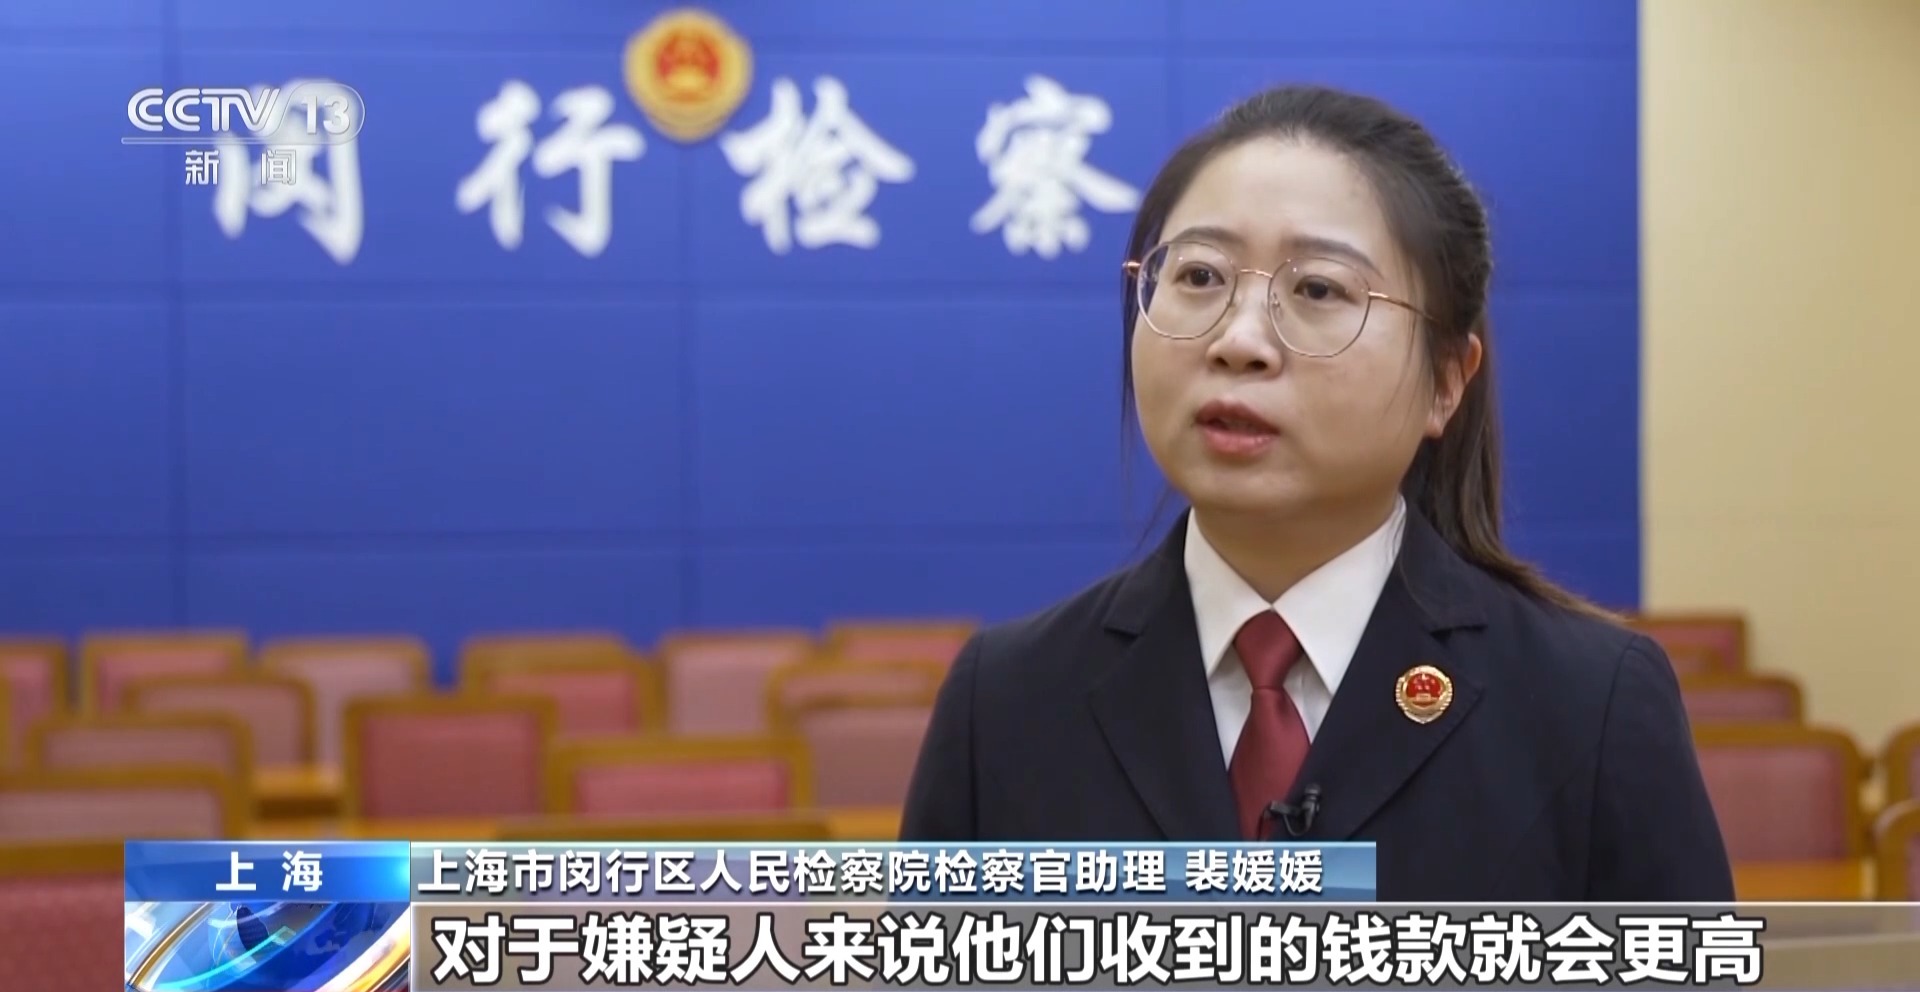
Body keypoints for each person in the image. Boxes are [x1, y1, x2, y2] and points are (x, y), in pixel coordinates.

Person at [898, 84, 1734, 901]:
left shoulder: (1590, 705)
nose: (1239, 340)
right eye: (1198, 275)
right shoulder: (1004, 703)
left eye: (1319, 290)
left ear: (1448, 380)